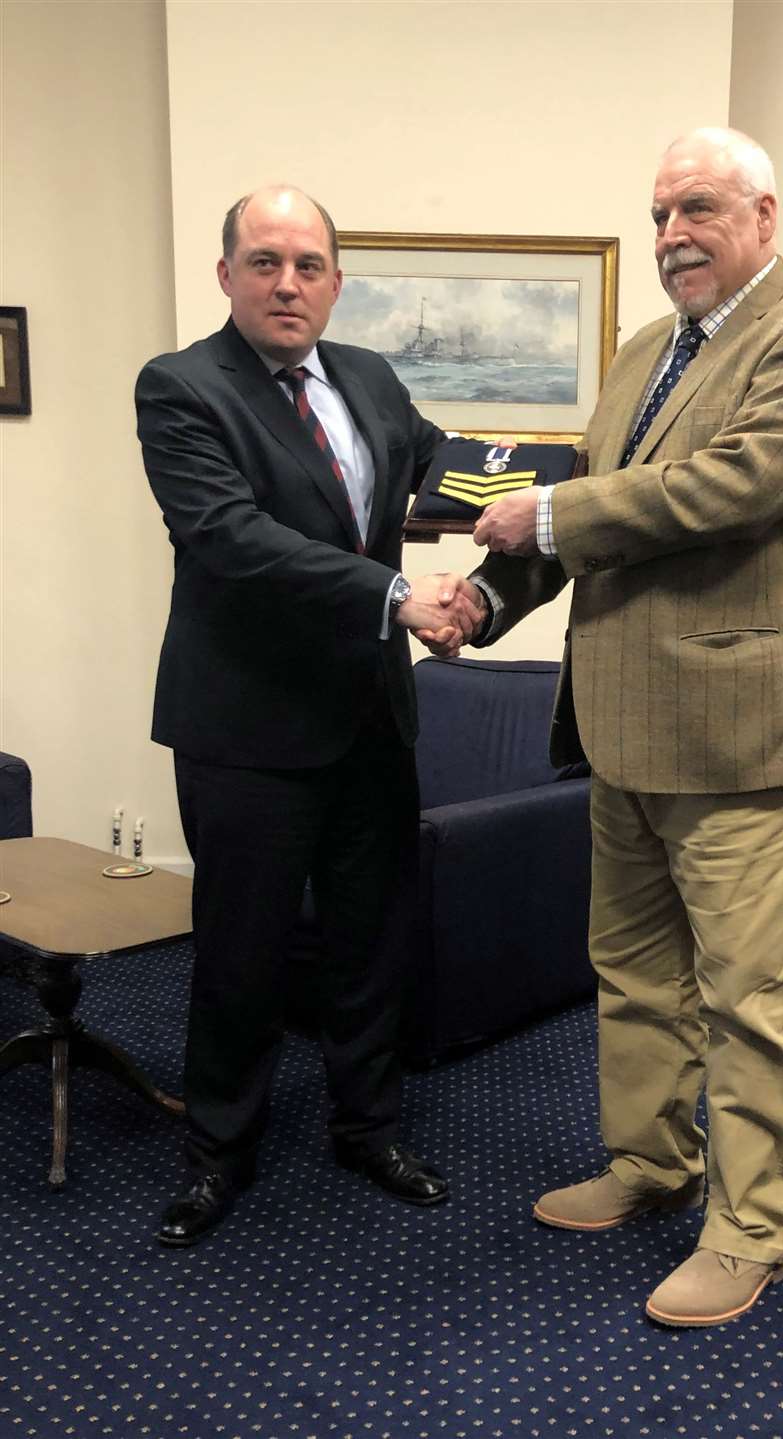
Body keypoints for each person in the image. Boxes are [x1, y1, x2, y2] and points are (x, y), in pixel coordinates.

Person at [457, 127, 783, 1325]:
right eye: (656, 216)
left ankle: (754, 1228)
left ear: (763, 214)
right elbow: (586, 522)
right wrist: (482, 602)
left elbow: (732, 485)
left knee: (752, 996)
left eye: (696, 208)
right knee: (635, 975)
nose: (671, 236)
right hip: (620, 725)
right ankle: (652, 1163)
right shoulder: (645, 348)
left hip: (747, 734)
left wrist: (543, 518)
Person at [136, 184, 485, 1247]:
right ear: (227, 275)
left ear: (336, 281)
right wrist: (394, 596)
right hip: (246, 725)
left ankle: (366, 1124)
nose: (289, 282)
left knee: (369, 940)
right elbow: (230, 536)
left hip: (369, 717)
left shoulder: (371, 377)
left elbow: (443, 470)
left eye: (309, 264)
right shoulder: (182, 387)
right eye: (266, 261)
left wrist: (541, 495)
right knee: (239, 948)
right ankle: (217, 1150)